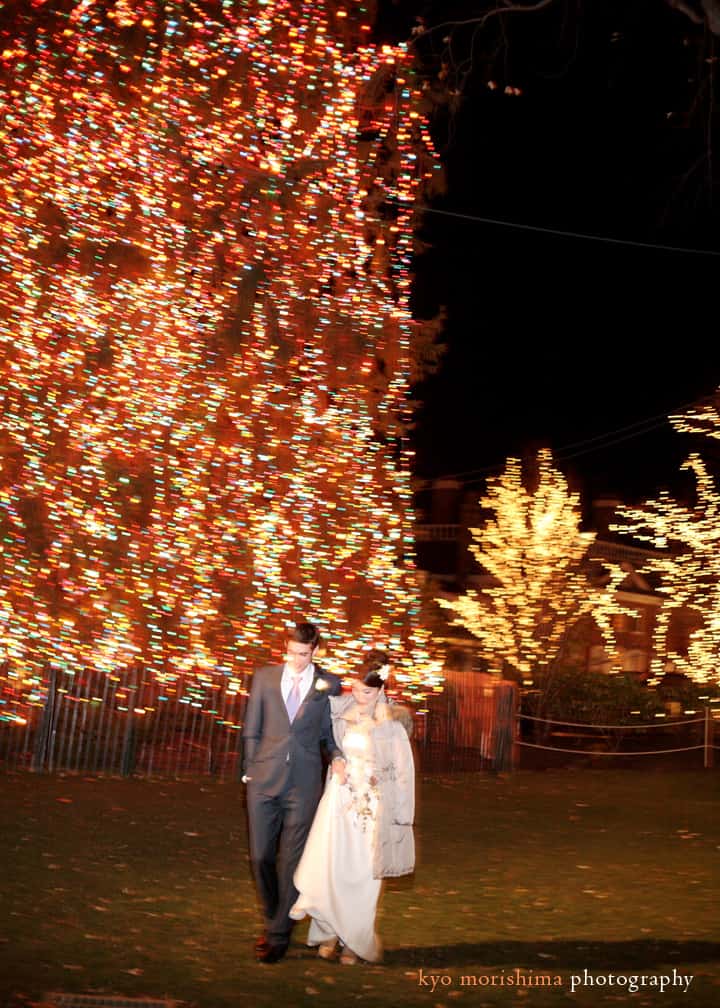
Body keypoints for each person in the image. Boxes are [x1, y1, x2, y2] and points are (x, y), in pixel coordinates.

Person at [290, 649, 415, 965]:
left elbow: (403, 771)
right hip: (341, 800)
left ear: (381, 690)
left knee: (362, 873)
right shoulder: (339, 712)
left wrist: (402, 817)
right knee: (334, 866)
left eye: (368, 691)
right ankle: (329, 930)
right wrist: (338, 761)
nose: (360, 695)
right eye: (356, 688)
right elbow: (331, 745)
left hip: (372, 807)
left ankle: (354, 940)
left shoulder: (391, 725)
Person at [242, 621, 342, 963]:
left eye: (303, 654)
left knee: (292, 862)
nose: (296, 660)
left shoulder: (328, 684)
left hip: (303, 784)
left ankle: (279, 934)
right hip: (262, 783)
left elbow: (330, 733)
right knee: (260, 857)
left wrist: (340, 757)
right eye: (291, 652)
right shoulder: (265, 678)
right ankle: (274, 918)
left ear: (315, 650)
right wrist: (250, 771)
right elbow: (251, 730)